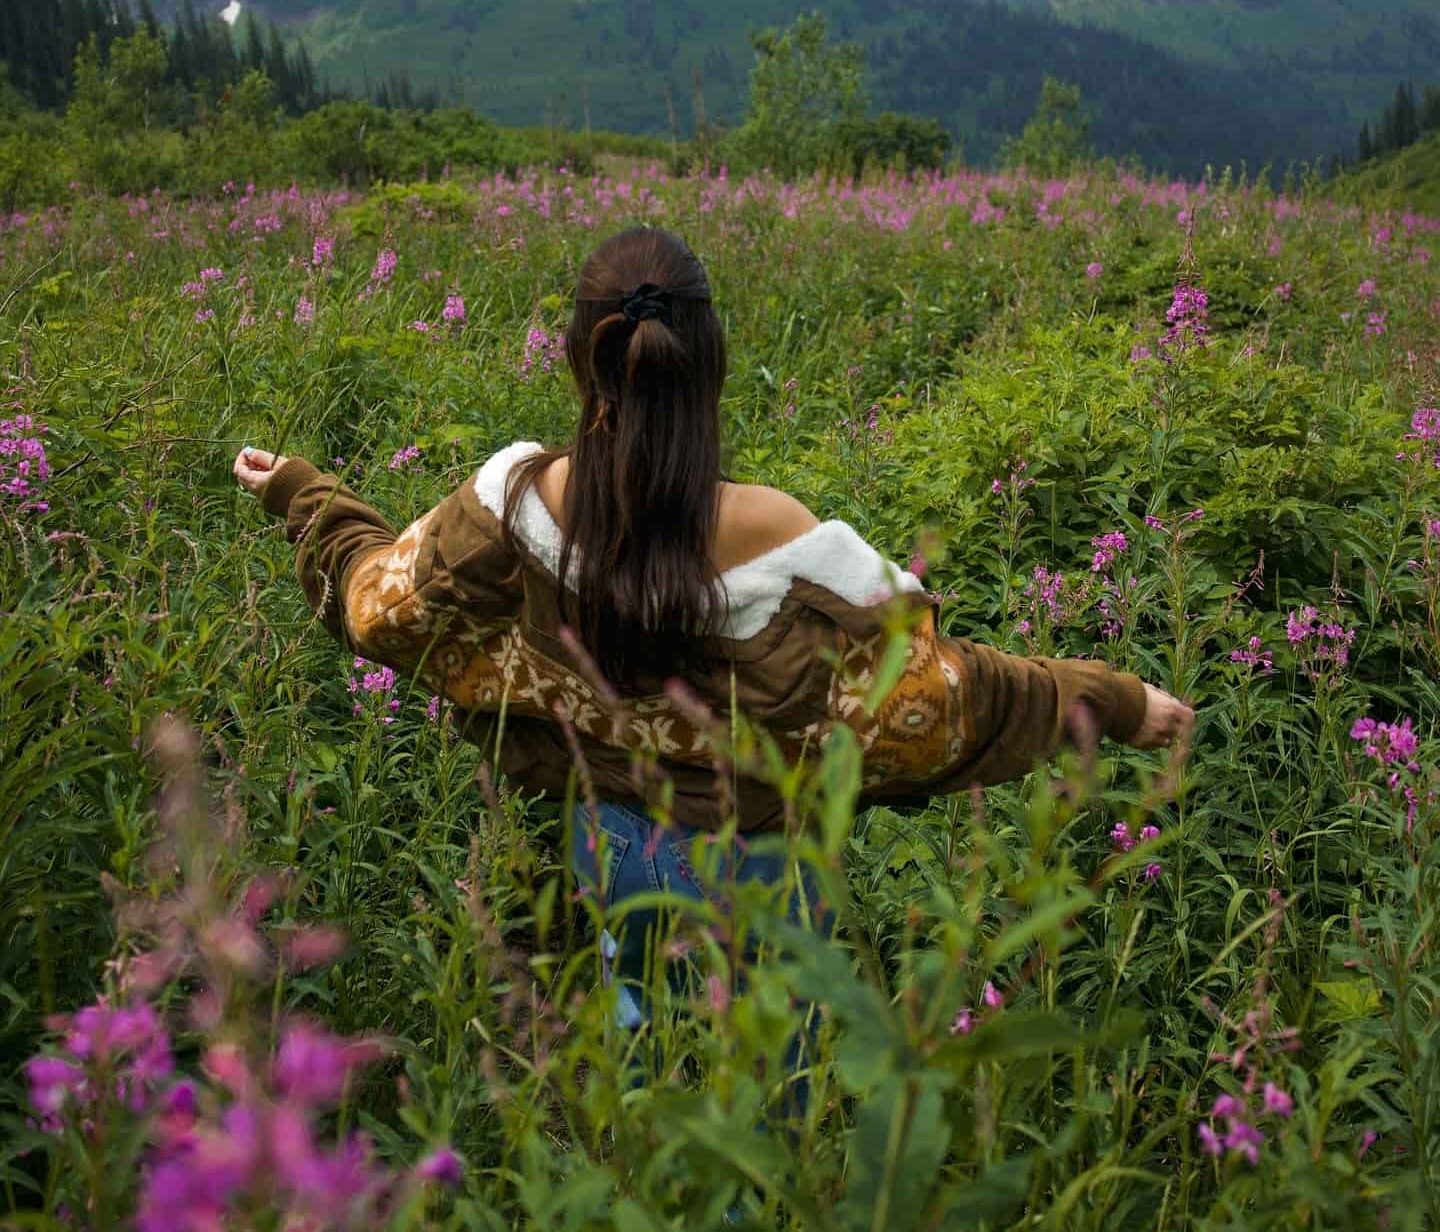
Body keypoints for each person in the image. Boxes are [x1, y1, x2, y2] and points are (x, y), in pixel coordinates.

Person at [234, 224, 1192, 1063]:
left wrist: (304, 494)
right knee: (772, 1090)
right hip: (760, 868)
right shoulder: (781, 540)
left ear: (581, 361)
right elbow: (940, 708)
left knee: (640, 1035)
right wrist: (1113, 698)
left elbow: (379, 603)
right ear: (712, 362)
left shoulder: (512, 508)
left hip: (606, 835)